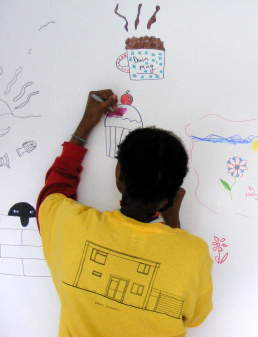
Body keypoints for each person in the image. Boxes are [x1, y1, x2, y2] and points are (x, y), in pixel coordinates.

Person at [36, 90, 213, 337]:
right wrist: (173, 223)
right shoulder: (194, 254)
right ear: (174, 194)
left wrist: (85, 126)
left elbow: (53, 190)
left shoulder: (67, 224)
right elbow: (195, 318)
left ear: (119, 175)